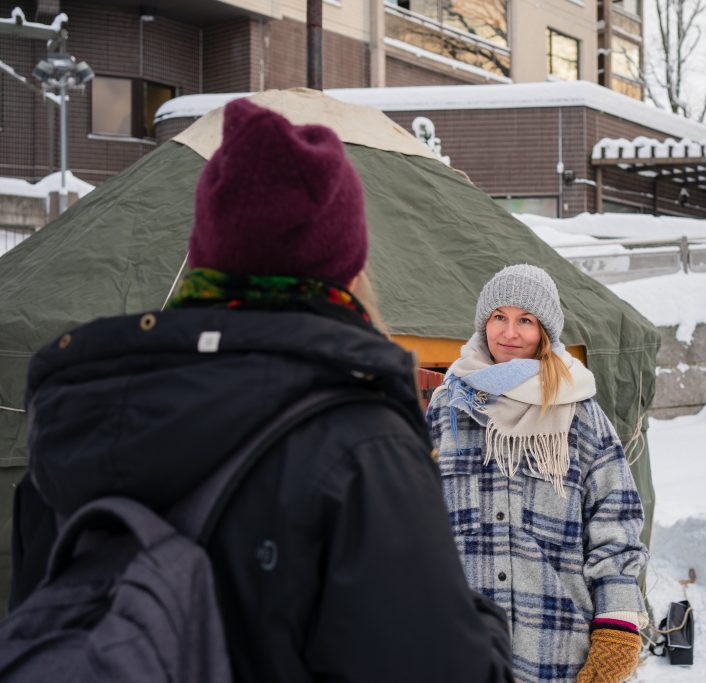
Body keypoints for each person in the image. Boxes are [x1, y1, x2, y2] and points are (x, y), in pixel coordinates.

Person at [9, 99, 515, 682]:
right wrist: (482, 621)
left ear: (202, 254)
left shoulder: (78, 416)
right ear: (347, 269)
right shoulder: (362, 448)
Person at [426, 265, 649, 683]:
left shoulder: (580, 413)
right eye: (499, 317)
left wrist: (618, 631)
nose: (509, 333)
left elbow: (615, 526)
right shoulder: (447, 408)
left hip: (556, 652)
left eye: (525, 320)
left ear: (545, 332)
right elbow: (415, 523)